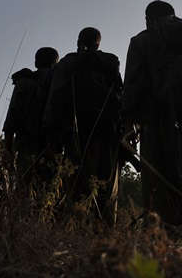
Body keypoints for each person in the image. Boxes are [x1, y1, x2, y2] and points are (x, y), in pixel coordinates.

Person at [122, 0, 182, 235]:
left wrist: (128, 123)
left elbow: (132, 86)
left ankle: (163, 245)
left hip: (157, 122)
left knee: (159, 185)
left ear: (148, 19)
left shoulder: (142, 40)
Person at [44, 27, 122, 226]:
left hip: (77, 133)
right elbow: (120, 97)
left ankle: (77, 232)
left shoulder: (68, 63)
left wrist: (54, 135)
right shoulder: (111, 62)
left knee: (77, 185)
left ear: (78, 41)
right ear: (99, 44)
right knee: (107, 188)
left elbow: (56, 98)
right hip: (108, 134)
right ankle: (105, 235)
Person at [3, 47, 59, 196]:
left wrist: (7, 149)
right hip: (52, 144)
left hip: (26, 143)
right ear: (56, 64)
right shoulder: (59, 82)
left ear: (35, 63)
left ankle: (24, 218)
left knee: (24, 189)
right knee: (51, 191)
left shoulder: (24, 83)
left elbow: (12, 116)